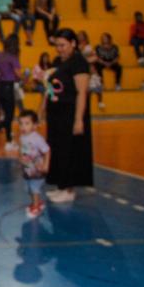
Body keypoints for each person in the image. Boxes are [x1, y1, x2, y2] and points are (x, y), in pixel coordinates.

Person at [43, 29, 92, 203]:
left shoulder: (79, 62)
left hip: (70, 113)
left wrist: (78, 119)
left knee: (69, 151)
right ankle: (60, 185)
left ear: (73, 43)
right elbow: (52, 87)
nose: (59, 49)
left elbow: (81, 92)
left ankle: (69, 189)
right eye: (57, 45)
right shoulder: (59, 61)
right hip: (56, 114)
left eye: (63, 45)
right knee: (57, 149)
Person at [18, 110, 50, 219]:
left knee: (34, 188)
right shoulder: (22, 137)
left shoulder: (37, 138)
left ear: (35, 125)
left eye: (27, 123)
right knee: (28, 188)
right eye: (21, 123)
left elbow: (47, 151)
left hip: (37, 169)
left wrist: (46, 165)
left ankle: (36, 207)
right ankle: (37, 203)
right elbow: (23, 150)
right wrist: (21, 158)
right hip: (27, 169)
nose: (23, 126)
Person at [94, 32, 122, 98]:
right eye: (103, 38)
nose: (104, 39)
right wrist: (104, 63)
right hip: (102, 62)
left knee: (119, 67)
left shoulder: (115, 47)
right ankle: (101, 84)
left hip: (112, 62)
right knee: (97, 65)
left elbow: (117, 57)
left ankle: (117, 84)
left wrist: (111, 63)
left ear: (109, 39)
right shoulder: (98, 47)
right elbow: (96, 57)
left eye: (106, 38)